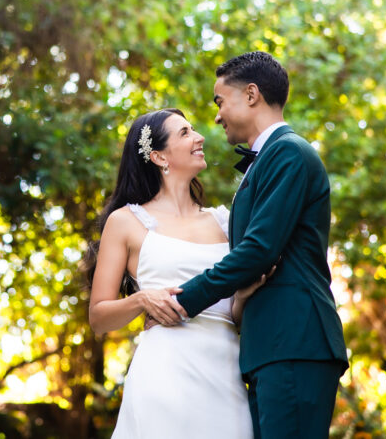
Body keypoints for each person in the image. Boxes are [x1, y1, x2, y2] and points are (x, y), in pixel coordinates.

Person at [166, 51, 348, 439]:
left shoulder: (288, 151)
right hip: (271, 346)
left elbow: (258, 250)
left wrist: (182, 300)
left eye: (219, 101)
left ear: (251, 95)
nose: (216, 115)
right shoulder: (268, 158)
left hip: (294, 340)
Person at [85, 107, 267, 438]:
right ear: (158, 156)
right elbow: (99, 317)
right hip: (165, 374)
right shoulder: (126, 221)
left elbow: (233, 315)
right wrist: (142, 300)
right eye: (185, 133)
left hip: (227, 373)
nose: (199, 138)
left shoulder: (225, 221)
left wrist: (244, 295)